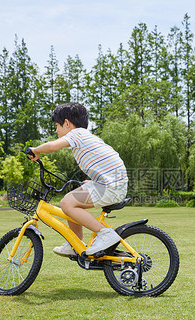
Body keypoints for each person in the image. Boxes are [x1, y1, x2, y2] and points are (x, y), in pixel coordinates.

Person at [27, 102, 128, 257]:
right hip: (111, 184)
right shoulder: (84, 137)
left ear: (67, 123)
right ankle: (75, 243)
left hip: (110, 186)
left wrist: (35, 150)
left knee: (67, 203)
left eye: (57, 125)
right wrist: (93, 181)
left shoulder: (77, 134)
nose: (56, 130)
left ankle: (105, 234)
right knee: (72, 201)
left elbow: (53, 147)